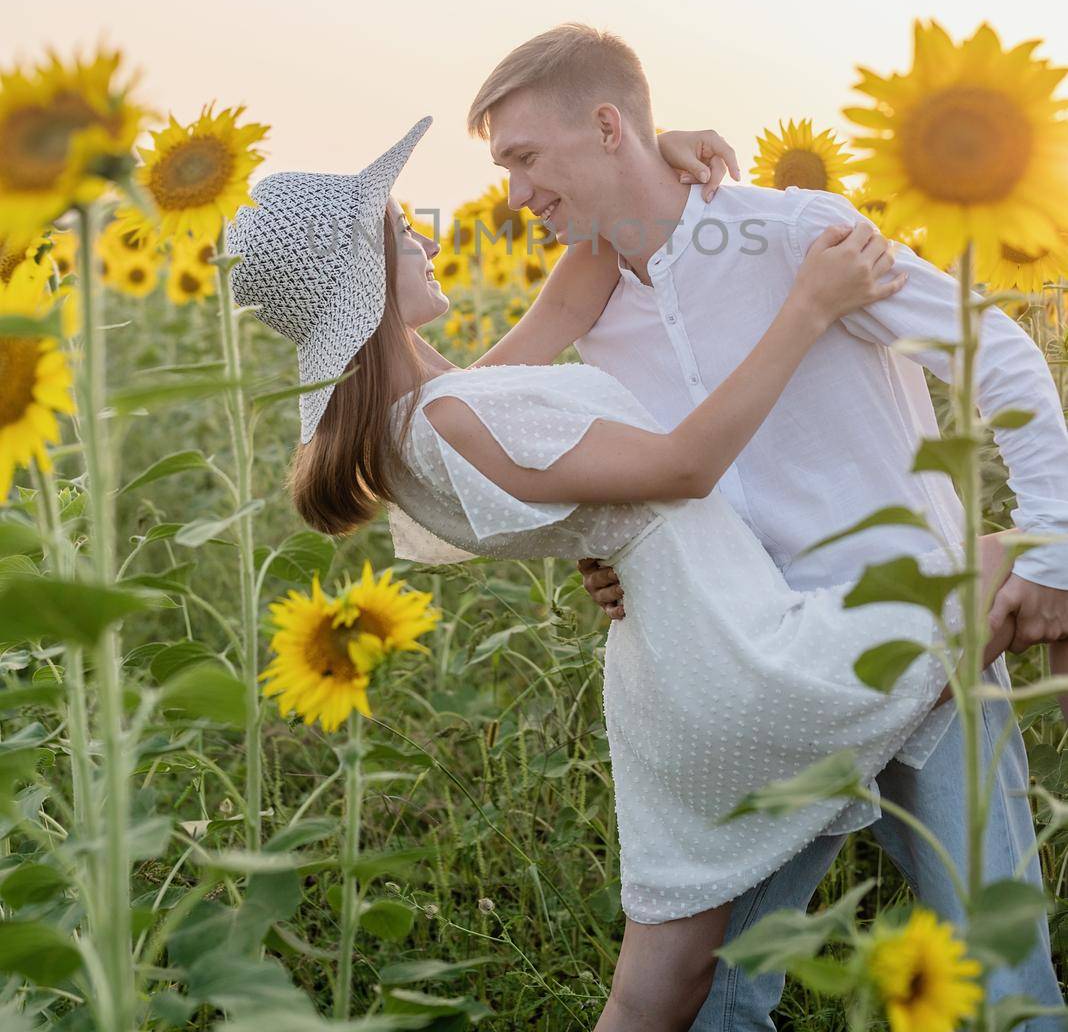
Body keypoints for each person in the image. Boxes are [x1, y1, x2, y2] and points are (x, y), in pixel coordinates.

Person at [226, 112, 1024, 1032]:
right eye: (404, 232)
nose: (430, 236)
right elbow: (685, 468)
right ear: (366, 275)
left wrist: (645, 152)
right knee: (1021, 561)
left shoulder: (433, 411)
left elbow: (581, 290)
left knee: (670, 996)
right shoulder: (448, 420)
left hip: (680, 670)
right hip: (739, 656)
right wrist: (809, 304)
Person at [455, 21, 1068, 1030]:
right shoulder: (594, 310)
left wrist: (1047, 534)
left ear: (609, 125)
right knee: (720, 994)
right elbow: (640, 482)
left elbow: (992, 351)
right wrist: (609, 558)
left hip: (926, 651)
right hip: (760, 683)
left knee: (1005, 989)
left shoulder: (792, 236)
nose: (514, 193)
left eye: (524, 158)